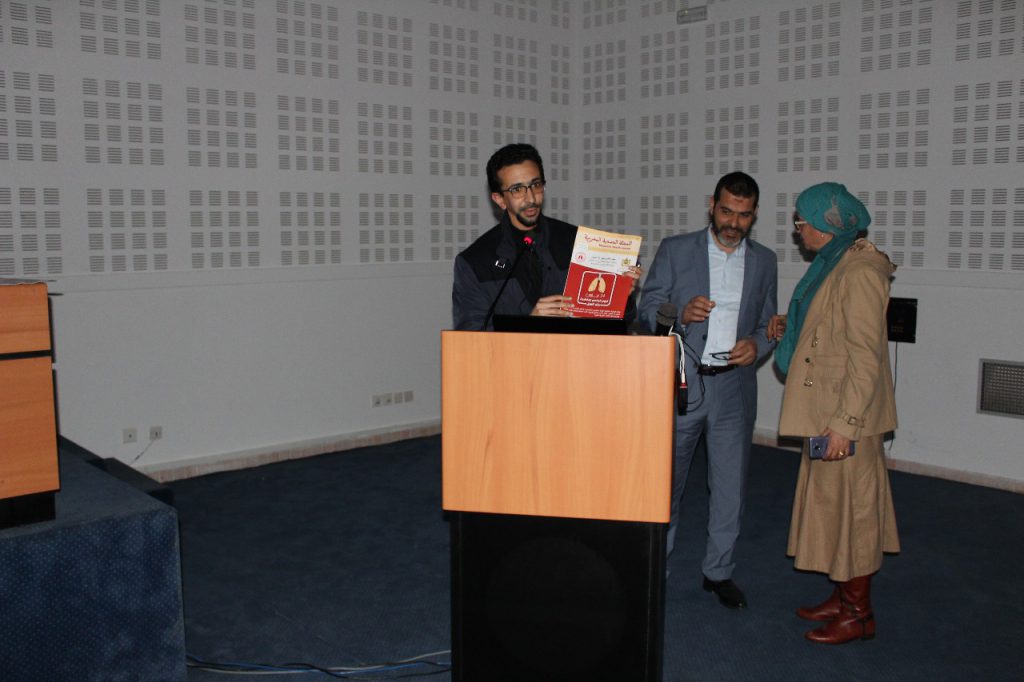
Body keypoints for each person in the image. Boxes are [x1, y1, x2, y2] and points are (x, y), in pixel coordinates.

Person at [639, 171, 777, 609]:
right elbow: (647, 309)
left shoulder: (765, 260)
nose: (733, 223)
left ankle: (718, 572)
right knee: (667, 485)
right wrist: (680, 314)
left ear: (754, 215)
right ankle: (655, 570)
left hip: (734, 388)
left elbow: (768, 323)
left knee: (730, 489)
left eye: (744, 215)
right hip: (683, 383)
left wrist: (757, 346)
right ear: (711, 206)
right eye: (726, 212)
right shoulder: (676, 250)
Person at [770, 182, 900, 644]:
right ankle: (844, 597)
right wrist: (792, 327)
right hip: (824, 408)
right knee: (832, 509)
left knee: (855, 514)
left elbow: (866, 357)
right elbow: (829, 326)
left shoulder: (859, 272)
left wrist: (845, 426)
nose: (797, 230)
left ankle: (859, 615)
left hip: (846, 416)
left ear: (824, 228)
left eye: (801, 222)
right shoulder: (834, 261)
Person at [452, 143, 639, 330]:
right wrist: (529, 326)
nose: (531, 198)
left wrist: (622, 298)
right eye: (517, 189)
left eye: (535, 185)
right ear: (500, 199)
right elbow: (471, 337)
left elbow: (615, 324)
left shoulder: (578, 242)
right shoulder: (474, 262)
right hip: (514, 350)